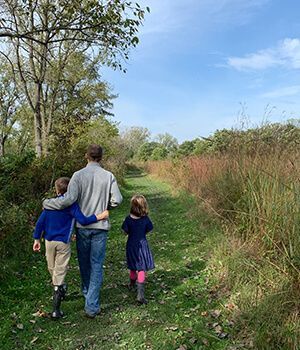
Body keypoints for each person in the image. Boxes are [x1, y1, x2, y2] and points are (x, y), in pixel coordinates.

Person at [42, 144, 122, 318]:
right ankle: (91, 303)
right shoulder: (108, 176)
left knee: (85, 263)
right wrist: (105, 208)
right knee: (96, 264)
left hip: (82, 227)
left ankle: (89, 297)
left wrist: (47, 203)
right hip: (100, 227)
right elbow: (117, 200)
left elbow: (68, 200)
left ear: (86, 156)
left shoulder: (77, 176)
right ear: (101, 157)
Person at [33, 177, 108, 319]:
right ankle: (56, 308)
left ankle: (59, 289)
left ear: (56, 189)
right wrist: (99, 216)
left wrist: (37, 239)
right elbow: (83, 220)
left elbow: (40, 223)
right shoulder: (72, 206)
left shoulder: (49, 205)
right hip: (63, 243)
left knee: (53, 268)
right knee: (58, 271)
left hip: (49, 242)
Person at [121, 194, 154, 304]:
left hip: (131, 245)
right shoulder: (145, 219)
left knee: (132, 266)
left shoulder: (128, 219)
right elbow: (149, 228)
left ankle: (131, 283)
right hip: (142, 245)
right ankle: (140, 294)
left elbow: (125, 231)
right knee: (141, 269)